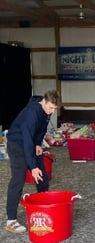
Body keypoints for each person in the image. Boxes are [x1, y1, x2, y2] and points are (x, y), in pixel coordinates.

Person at [5, 90, 60, 233]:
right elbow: (26, 139)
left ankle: (45, 206)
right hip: (17, 144)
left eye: (55, 109)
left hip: (30, 143)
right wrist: (32, 166)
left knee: (42, 177)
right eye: (50, 108)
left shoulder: (45, 111)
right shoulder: (31, 113)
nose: (52, 112)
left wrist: (38, 144)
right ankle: (11, 220)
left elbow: (41, 129)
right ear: (44, 101)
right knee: (18, 179)